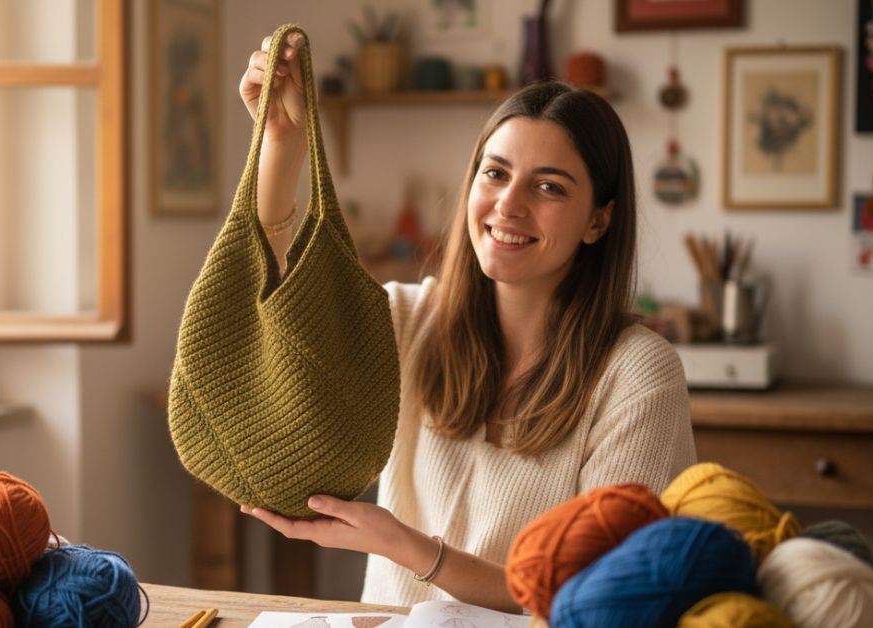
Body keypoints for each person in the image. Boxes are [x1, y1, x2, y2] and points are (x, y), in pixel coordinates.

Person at [236, 32, 696, 612]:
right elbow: (272, 306)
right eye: (495, 173)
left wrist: (408, 548)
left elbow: (602, 596)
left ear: (598, 222)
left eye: (549, 186)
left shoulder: (638, 376)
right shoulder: (408, 320)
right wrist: (282, 145)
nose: (509, 204)